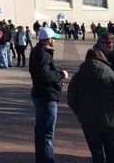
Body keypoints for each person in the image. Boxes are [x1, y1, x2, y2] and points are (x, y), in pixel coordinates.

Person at [68, 49, 114, 163]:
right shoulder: (113, 77)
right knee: (113, 154)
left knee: (96, 154)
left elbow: (72, 99)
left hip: (89, 122)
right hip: (112, 122)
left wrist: (81, 113)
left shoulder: (78, 77)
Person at [29, 26, 68, 163]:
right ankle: (46, 159)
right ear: (49, 39)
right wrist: (60, 75)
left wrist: (56, 82)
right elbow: (45, 75)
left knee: (41, 131)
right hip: (46, 96)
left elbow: (41, 75)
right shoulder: (43, 53)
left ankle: (42, 158)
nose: (54, 41)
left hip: (41, 93)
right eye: (53, 38)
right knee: (46, 132)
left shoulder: (38, 51)